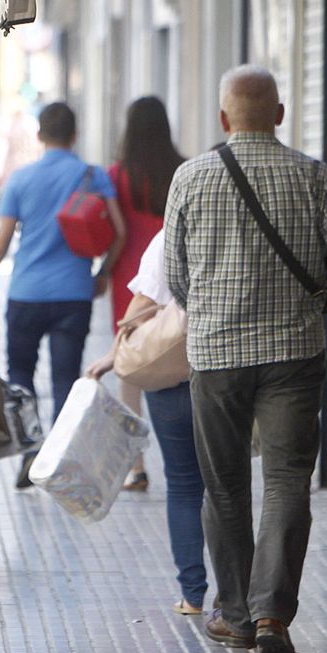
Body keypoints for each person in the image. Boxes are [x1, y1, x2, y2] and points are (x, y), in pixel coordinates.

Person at [163, 65, 327, 653]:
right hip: (293, 353)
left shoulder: (190, 177)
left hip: (215, 355)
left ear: (223, 118)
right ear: (280, 115)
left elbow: (175, 277)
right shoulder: (312, 175)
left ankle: (232, 613)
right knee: (287, 479)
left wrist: (211, 310)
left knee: (225, 483)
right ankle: (271, 617)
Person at [0, 101, 126, 488]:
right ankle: (58, 459)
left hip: (26, 293)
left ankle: (30, 450)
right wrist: (103, 274)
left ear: (40, 136)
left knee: (20, 376)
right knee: (65, 378)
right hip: (73, 293)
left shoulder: (21, 179)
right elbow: (121, 231)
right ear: (75, 134)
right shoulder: (92, 175)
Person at [86, 228, 207, 616]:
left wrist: (113, 355)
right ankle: (236, 600)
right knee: (227, 486)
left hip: (172, 376)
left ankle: (192, 594)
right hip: (229, 374)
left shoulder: (171, 235)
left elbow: (143, 304)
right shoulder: (247, 229)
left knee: (185, 484)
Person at [107, 96, 184, 492]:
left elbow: (111, 230)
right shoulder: (183, 169)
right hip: (175, 277)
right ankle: (184, 450)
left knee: (130, 369)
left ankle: (135, 466)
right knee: (178, 351)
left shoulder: (116, 176)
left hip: (132, 282)